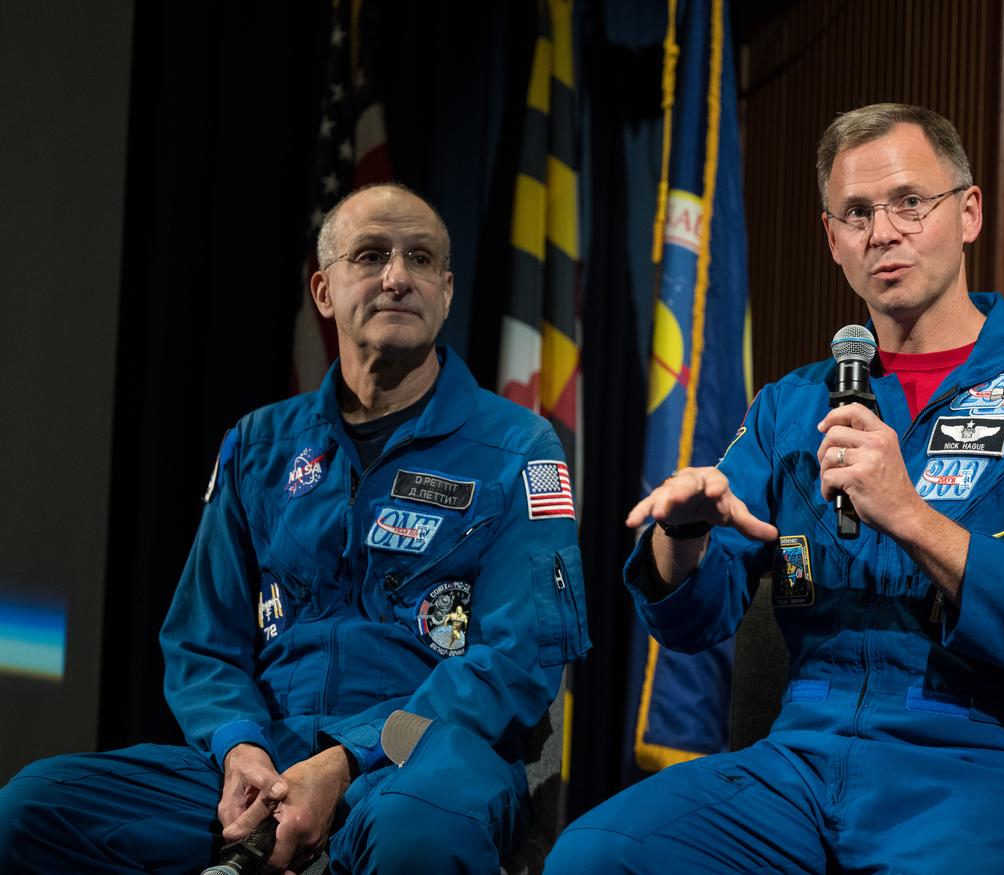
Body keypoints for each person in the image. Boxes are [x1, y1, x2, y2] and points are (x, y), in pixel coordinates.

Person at [546, 104, 1004, 873]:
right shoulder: (792, 406)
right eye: (858, 213)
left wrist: (911, 517)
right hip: (804, 760)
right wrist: (684, 536)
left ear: (967, 213)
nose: (884, 231)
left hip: (983, 767)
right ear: (833, 238)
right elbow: (692, 625)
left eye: (911, 201)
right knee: (596, 855)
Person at [0, 183, 589, 874]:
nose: (398, 277)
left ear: (447, 291)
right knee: (32, 811)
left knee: (416, 836)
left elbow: (519, 658)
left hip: (425, 760)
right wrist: (242, 750)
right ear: (323, 291)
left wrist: (346, 758)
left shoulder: (520, 446)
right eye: (371, 255)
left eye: (421, 259)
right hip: (267, 759)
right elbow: (201, 640)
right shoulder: (258, 445)